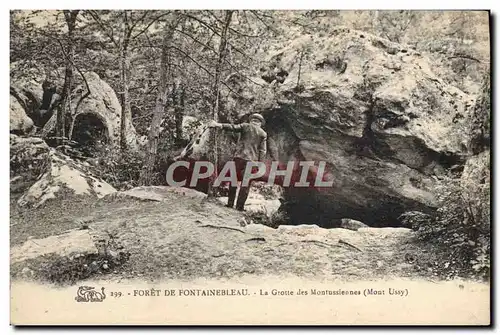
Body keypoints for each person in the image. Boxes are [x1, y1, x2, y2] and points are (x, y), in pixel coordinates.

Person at [208, 113, 267, 211]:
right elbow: (262, 151)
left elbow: (233, 127)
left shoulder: (245, 126)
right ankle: (240, 208)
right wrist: (260, 164)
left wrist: (219, 125)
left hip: (239, 157)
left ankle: (230, 204)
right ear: (260, 123)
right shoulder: (263, 133)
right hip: (252, 161)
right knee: (245, 184)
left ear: (251, 120)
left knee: (233, 180)